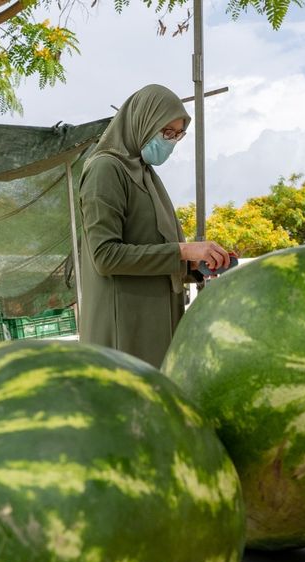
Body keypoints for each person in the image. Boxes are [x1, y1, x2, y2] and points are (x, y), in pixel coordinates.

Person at [78, 84, 232, 368]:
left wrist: (195, 265)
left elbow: (152, 247)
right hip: (123, 332)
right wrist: (184, 252)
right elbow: (105, 256)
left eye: (178, 135)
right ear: (142, 121)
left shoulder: (145, 174)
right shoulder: (106, 170)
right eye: (166, 133)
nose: (171, 142)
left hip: (152, 324)